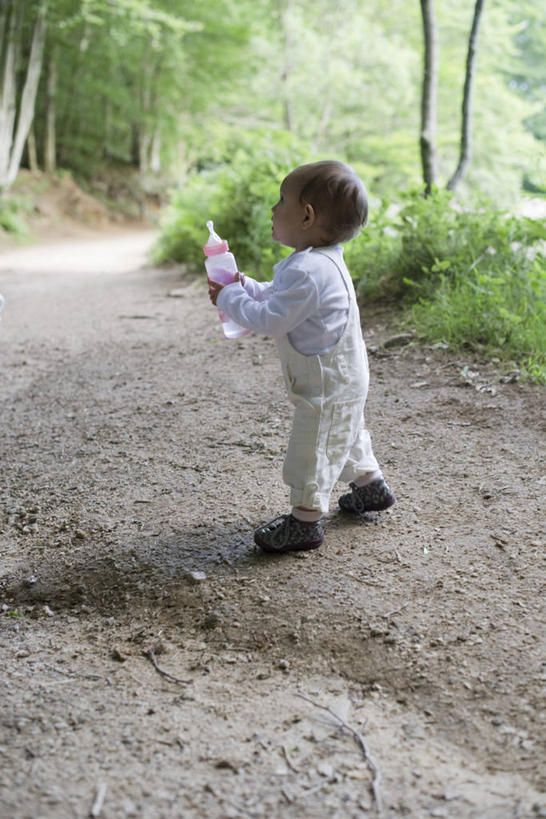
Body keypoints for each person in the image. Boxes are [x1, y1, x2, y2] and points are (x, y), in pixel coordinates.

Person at [208, 160, 395, 554]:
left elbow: (272, 318)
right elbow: (280, 296)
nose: (273, 210)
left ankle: (306, 521)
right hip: (340, 375)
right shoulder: (317, 261)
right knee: (344, 433)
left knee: (314, 447)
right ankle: (370, 485)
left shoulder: (310, 269)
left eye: (281, 201)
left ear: (307, 216)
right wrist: (246, 286)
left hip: (327, 381)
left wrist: (229, 297)